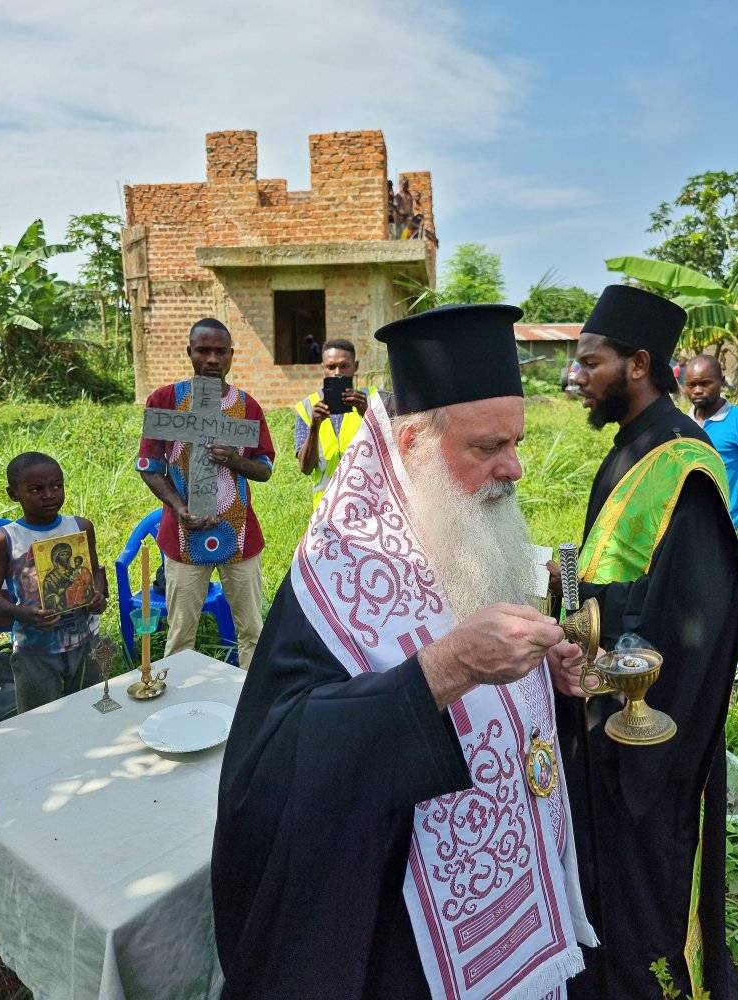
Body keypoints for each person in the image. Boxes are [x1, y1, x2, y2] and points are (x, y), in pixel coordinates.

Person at [213, 304, 598, 1000]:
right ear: (414, 441)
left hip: (513, 893)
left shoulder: (471, 521)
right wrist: (445, 670)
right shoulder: (337, 571)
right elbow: (275, 767)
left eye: (517, 442)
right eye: (488, 448)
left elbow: (500, 697)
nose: (513, 469)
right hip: (397, 932)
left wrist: (549, 683)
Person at [547, 285, 738, 999]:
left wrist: (627, 728)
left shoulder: (681, 461)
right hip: (598, 701)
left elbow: (697, 621)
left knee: (643, 901)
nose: (578, 376)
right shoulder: (635, 443)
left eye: (589, 361)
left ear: (637, 363)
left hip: (644, 731)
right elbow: (619, 574)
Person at [137, 318, 275, 668]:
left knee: (253, 631)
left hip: (238, 535)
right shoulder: (166, 400)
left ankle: (247, 703)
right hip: (183, 534)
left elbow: (265, 469)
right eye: (203, 351)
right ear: (189, 353)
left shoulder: (247, 408)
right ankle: (179, 705)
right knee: (181, 634)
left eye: (220, 351)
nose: (212, 359)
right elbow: (149, 466)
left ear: (231, 355)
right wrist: (179, 506)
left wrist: (233, 458)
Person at [0, 452, 107, 713]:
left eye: (57, 486)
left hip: (86, 642)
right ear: (13, 494)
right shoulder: (6, 539)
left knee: (94, 711)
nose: (49, 495)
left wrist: (98, 595)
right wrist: (20, 613)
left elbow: (95, 571)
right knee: (40, 721)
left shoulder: (79, 527)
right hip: (36, 651)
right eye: (36, 489)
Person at [295, 338, 378, 509]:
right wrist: (314, 427)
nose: (337, 372)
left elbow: (391, 451)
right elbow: (305, 468)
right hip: (326, 508)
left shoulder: (374, 399)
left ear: (355, 367)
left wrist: (366, 413)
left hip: (369, 502)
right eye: (331, 367)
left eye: (344, 366)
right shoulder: (308, 406)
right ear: (323, 368)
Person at [687, 354, 738, 530]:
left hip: (722, 530)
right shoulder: (680, 423)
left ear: (722, 381)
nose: (697, 390)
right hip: (682, 530)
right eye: (691, 385)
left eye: (704, 383)